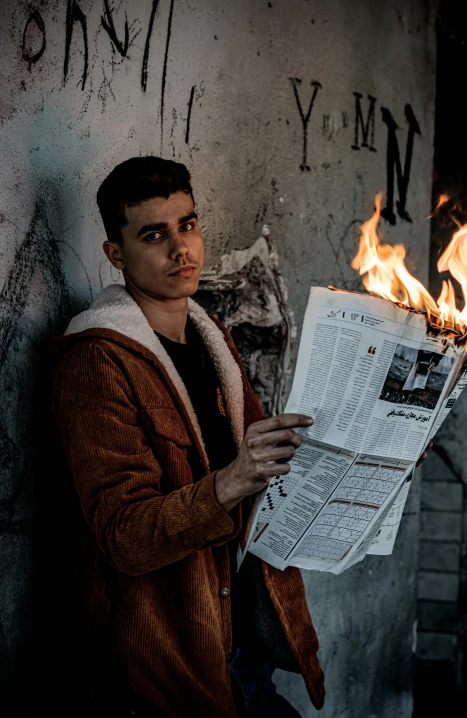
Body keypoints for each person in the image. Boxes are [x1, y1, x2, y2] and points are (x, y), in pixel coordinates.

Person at [49, 157, 325, 718]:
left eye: (188, 225)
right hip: (168, 667)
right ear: (115, 254)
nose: (181, 249)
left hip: (242, 651)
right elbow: (125, 536)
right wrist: (229, 483)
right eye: (154, 235)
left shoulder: (212, 340)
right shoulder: (98, 361)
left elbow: (265, 481)